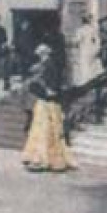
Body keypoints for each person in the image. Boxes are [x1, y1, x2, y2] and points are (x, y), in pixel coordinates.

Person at [21, 45, 76, 173]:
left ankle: (44, 159)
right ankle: (40, 157)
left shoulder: (49, 66)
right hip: (44, 101)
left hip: (48, 102)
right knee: (42, 129)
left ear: (45, 54)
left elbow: (51, 86)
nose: (40, 56)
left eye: (41, 54)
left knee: (46, 130)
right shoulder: (44, 65)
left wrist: (42, 88)